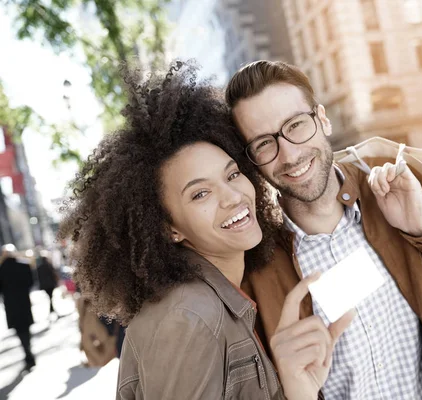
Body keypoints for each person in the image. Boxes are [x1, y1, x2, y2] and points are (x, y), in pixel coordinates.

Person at [58, 60, 353, 400]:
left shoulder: (225, 297)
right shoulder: (187, 318)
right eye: (201, 194)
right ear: (169, 228)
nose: (232, 197)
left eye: (231, 175)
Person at [226, 60, 422, 400]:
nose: (289, 153)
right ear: (251, 160)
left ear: (323, 118)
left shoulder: (394, 183)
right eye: (264, 144)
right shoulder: (256, 261)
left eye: (296, 125)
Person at [0, 244, 36, 370]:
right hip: (24, 302)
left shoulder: (1, 269)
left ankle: (27, 351)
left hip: (11, 305)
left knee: (20, 330)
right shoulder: (24, 265)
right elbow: (31, 282)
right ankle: (28, 351)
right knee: (26, 327)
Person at [36, 253, 59, 317]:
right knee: (50, 297)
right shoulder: (49, 265)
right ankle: (51, 308)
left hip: (45, 285)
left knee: (50, 297)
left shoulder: (39, 267)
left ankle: (51, 309)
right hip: (50, 284)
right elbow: (53, 274)